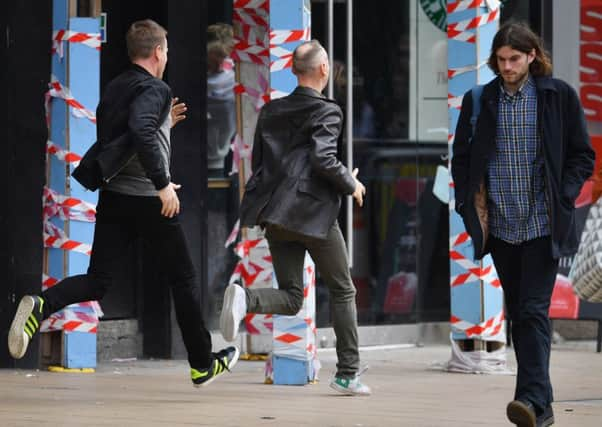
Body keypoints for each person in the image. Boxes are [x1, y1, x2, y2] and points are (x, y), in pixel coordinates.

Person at [8, 19, 239, 387]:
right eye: (167, 50)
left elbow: (129, 136)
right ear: (159, 51)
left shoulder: (117, 86)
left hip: (116, 198)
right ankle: (201, 363)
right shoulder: (155, 88)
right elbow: (141, 128)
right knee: (184, 279)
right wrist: (163, 184)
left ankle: (41, 305)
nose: (168, 56)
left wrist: (165, 130)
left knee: (98, 281)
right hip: (150, 202)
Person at [452, 22, 594, 427]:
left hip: (542, 224)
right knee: (519, 312)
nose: (508, 66)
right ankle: (542, 406)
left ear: (532, 56)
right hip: (499, 225)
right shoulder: (479, 100)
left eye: (515, 58)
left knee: (532, 310)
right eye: (501, 59)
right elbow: (461, 157)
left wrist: (563, 195)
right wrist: (466, 202)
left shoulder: (557, 97)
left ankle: (529, 401)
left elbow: (582, 156)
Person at [219, 40, 370, 396]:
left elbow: (261, 163)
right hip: (312, 213)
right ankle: (348, 373)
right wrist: (352, 184)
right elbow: (322, 159)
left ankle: (245, 298)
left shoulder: (271, 110)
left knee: (291, 296)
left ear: (293, 70)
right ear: (323, 70)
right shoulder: (329, 111)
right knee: (343, 290)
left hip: (275, 212)